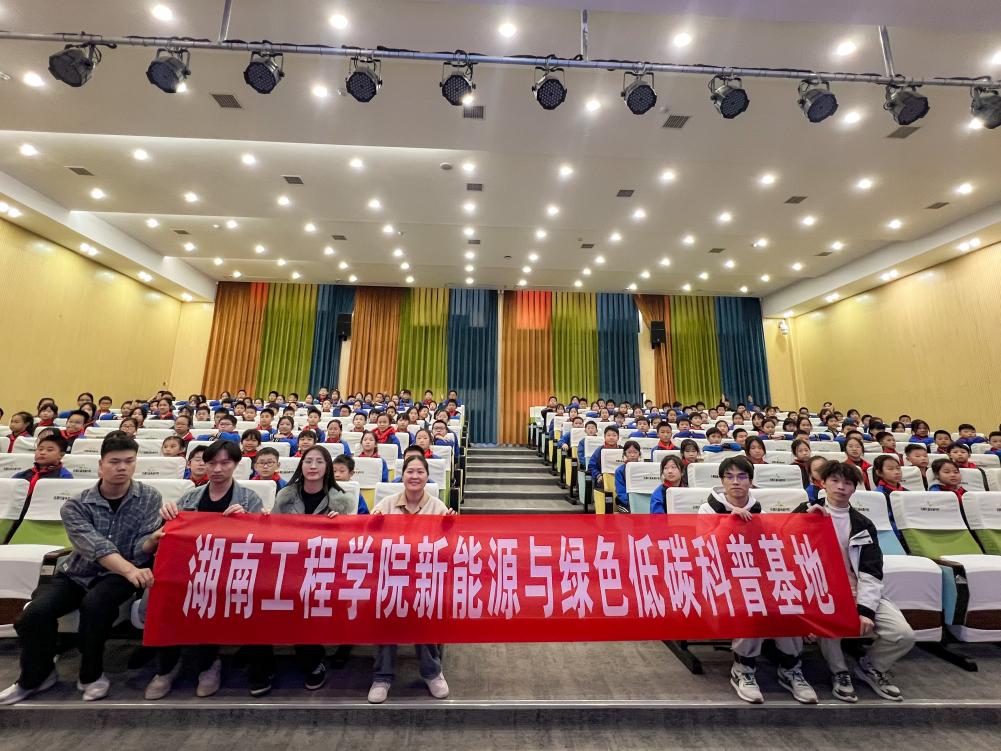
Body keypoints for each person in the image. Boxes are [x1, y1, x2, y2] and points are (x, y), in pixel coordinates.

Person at [0, 435, 162, 704]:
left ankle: (91, 675)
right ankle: (36, 677)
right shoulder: (76, 505)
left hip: (118, 577)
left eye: (129, 461)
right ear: (100, 465)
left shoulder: (149, 498)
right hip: (77, 572)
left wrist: (152, 541)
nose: (122, 467)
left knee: (95, 606)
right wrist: (130, 570)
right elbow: (94, 547)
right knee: (34, 614)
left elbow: (139, 548)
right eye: (115, 462)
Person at [144, 440, 270, 700]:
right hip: (189, 570)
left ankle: (209, 664)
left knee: (209, 593)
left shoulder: (249, 498)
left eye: (225, 463)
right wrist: (166, 521)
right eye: (211, 463)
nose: (217, 469)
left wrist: (247, 521)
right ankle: (166, 667)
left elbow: (263, 545)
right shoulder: (190, 498)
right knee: (167, 594)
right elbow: (160, 539)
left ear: (236, 465)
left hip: (231, 571)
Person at [698, 456, 816, 704]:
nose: (736, 482)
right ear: (722, 481)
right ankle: (743, 669)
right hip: (721, 577)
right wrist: (729, 523)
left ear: (750, 481)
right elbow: (705, 550)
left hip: (756, 574)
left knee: (787, 600)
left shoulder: (760, 511)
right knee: (752, 602)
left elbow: (775, 545)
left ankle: (790, 668)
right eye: (729, 477)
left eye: (742, 477)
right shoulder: (707, 509)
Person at [795, 461, 915, 702]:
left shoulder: (863, 524)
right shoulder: (806, 511)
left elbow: (872, 571)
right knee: (829, 618)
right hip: (820, 591)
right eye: (835, 481)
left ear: (854, 488)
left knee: (903, 634)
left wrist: (865, 610)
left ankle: (871, 667)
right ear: (823, 483)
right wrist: (803, 521)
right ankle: (839, 672)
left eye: (847, 483)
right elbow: (784, 549)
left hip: (856, 589)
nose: (841, 487)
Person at [266, 445, 361, 690]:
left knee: (307, 595)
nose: (313, 466)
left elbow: (349, 544)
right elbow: (272, 533)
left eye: (320, 461)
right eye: (308, 461)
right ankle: (263, 661)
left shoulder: (342, 500)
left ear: (327, 467)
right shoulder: (285, 496)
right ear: (301, 465)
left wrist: (341, 526)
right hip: (290, 563)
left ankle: (311, 659)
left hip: (326, 567)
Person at [368, 455, 453, 704]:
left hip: (424, 577)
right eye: (410, 471)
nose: (415, 476)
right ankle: (382, 677)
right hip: (390, 576)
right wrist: (372, 525)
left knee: (424, 612)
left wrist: (450, 527)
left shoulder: (438, 507)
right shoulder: (386, 504)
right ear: (402, 475)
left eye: (420, 472)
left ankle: (432, 672)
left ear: (427, 477)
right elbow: (369, 542)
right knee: (385, 613)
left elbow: (447, 549)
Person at [612, 440, 643, 512]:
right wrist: (632, 502)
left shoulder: (644, 469)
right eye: (629, 452)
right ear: (625, 454)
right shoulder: (620, 471)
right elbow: (621, 492)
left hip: (642, 501)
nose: (632, 455)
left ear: (639, 454)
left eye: (635, 452)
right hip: (625, 503)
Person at [588, 426, 620, 493]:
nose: (611, 437)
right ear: (604, 437)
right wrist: (598, 475)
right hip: (603, 479)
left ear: (618, 438)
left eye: (614, 435)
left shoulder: (622, 450)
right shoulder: (599, 450)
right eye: (608, 435)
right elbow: (591, 466)